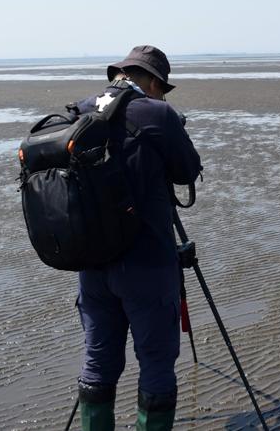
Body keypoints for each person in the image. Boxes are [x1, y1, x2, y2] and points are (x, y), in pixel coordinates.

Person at [72, 45, 202, 430]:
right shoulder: (158, 113)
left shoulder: (82, 109)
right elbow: (187, 171)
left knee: (98, 361)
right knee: (157, 363)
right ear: (153, 82)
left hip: (91, 263)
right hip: (146, 262)